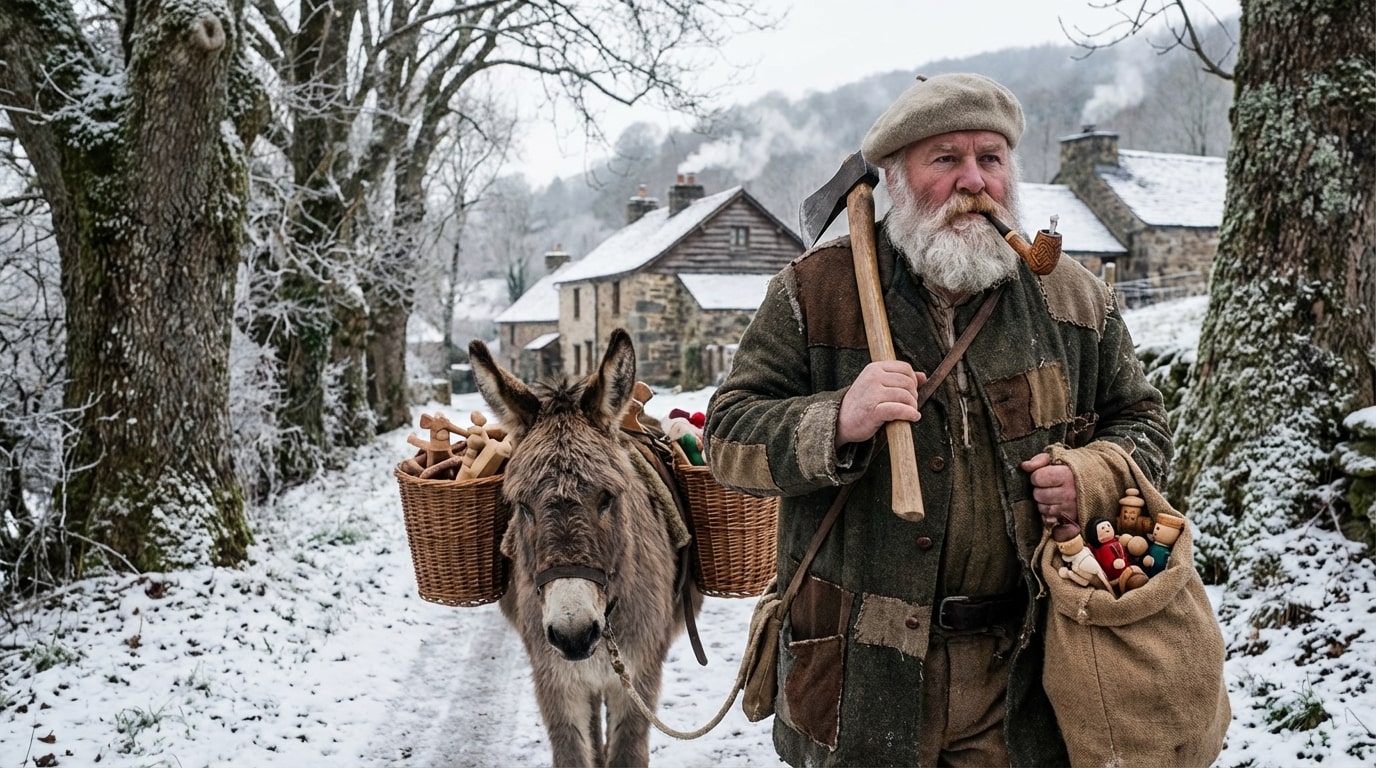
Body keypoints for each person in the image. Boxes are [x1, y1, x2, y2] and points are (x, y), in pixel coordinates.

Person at [704, 72, 1172, 767]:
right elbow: (727, 438)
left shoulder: (1072, 299)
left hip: (1023, 677)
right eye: (946, 160)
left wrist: (1092, 475)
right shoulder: (813, 291)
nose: (974, 182)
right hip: (857, 680)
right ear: (895, 177)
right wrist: (838, 418)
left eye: (991, 158)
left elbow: (1144, 423)